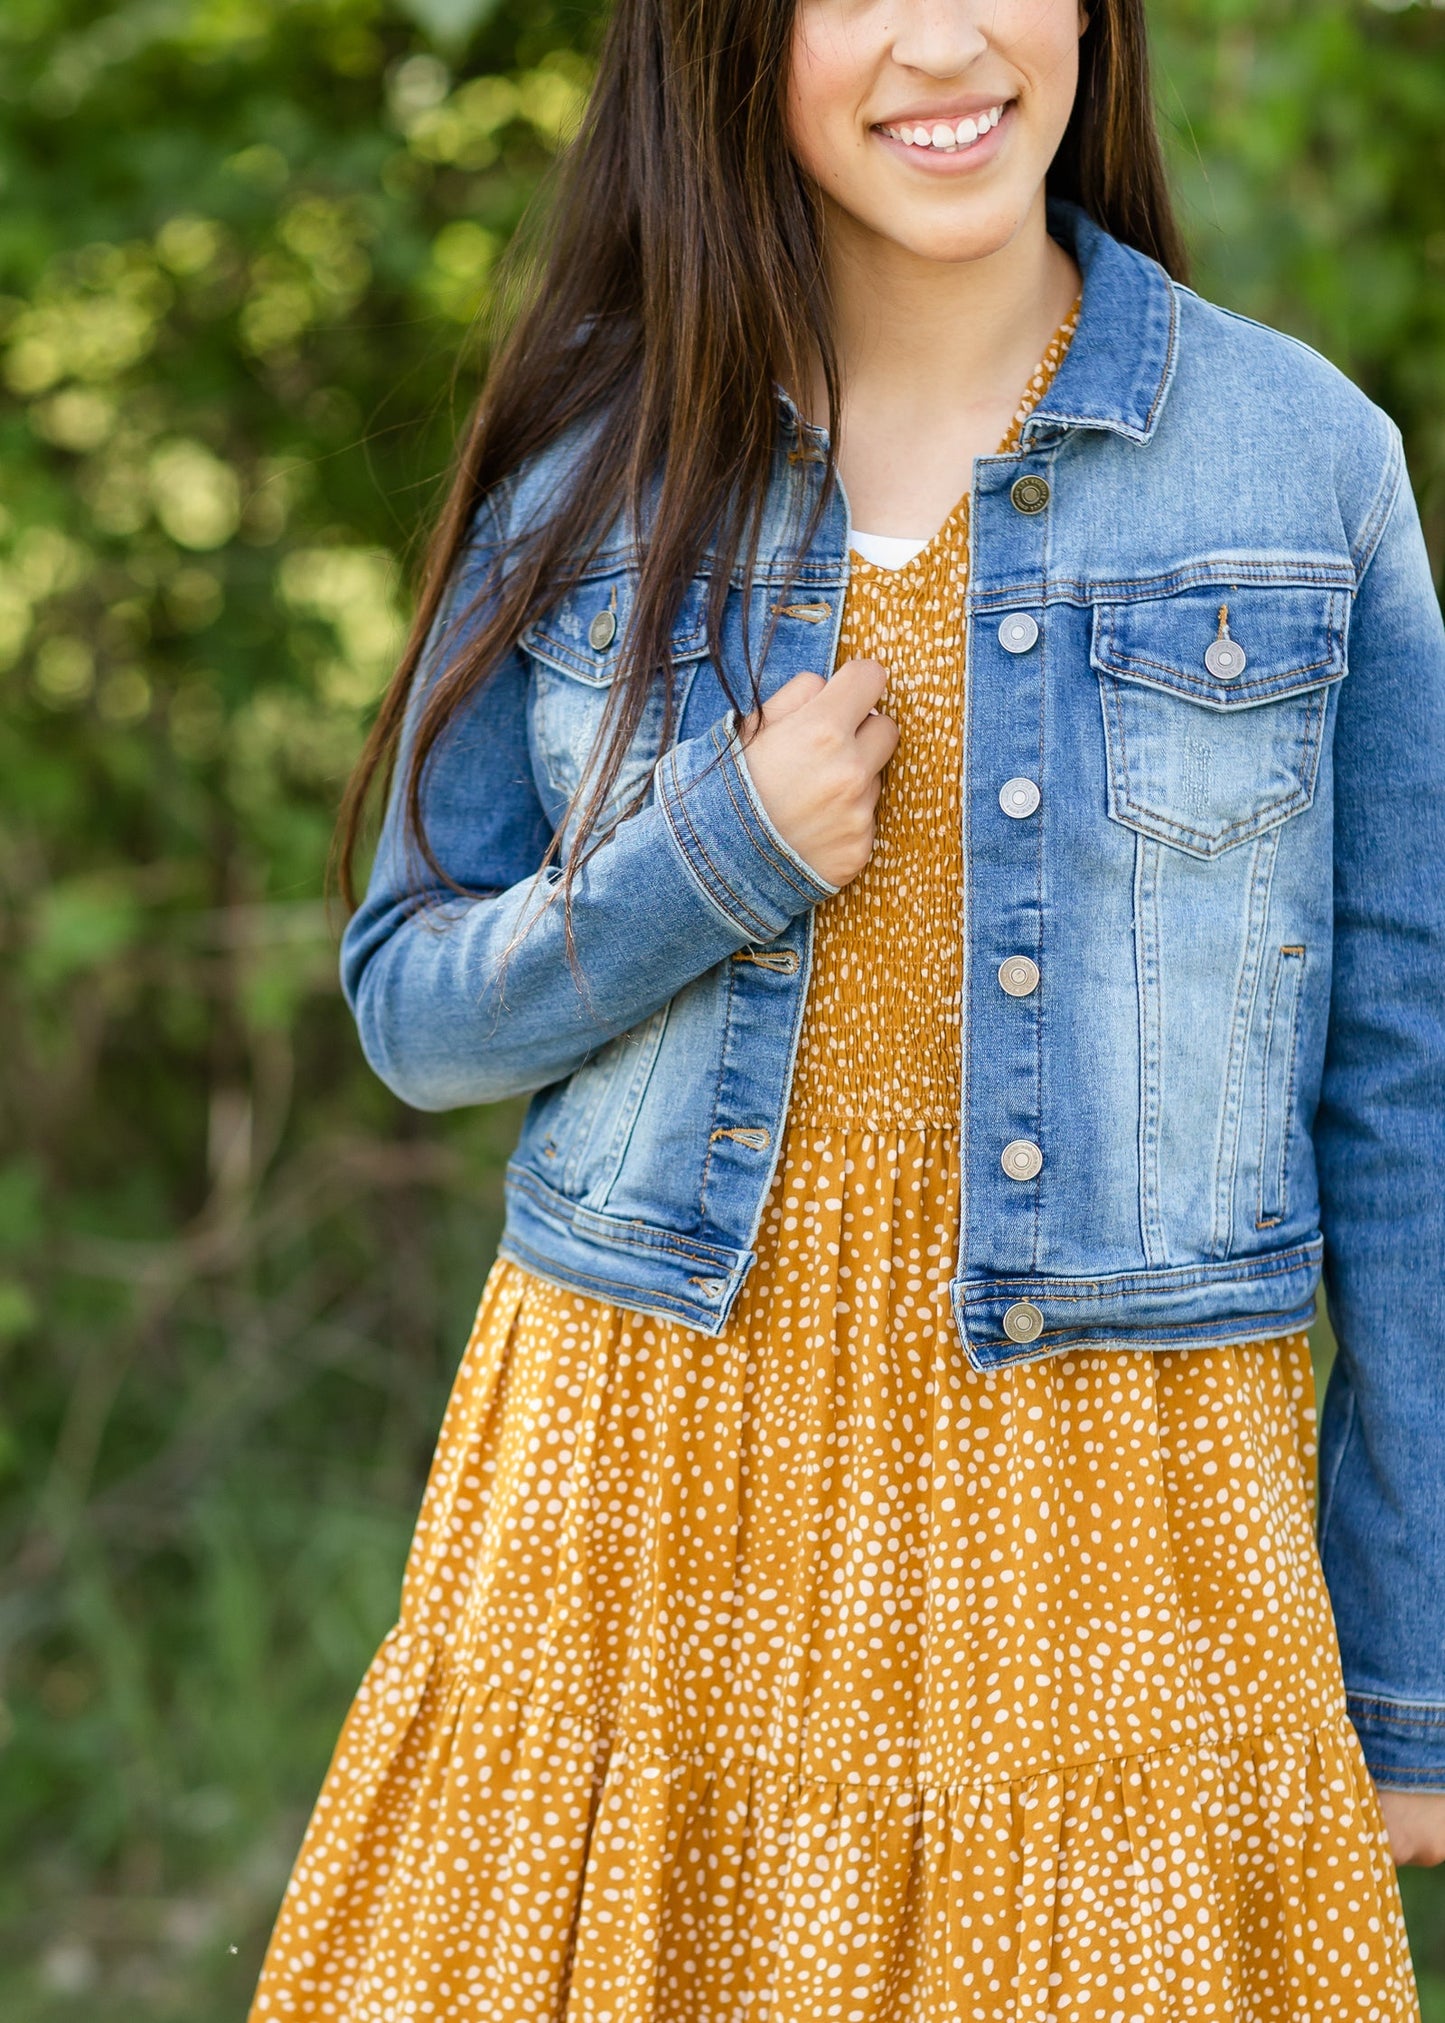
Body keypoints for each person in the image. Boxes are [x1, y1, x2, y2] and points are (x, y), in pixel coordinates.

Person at [249, 1, 1445, 2015]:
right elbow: (411, 1006)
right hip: (643, 1505)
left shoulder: (1299, 460)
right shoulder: (596, 458)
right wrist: (715, 849)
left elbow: (1407, 1090)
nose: (946, 40)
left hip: (1116, 1518)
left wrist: (1409, 1657)